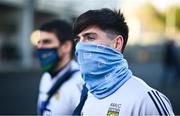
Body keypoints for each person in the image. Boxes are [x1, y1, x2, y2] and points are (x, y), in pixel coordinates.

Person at [73, 8, 175, 115]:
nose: (80, 46)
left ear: (117, 44)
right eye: (77, 40)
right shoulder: (85, 93)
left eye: (90, 37)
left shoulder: (145, 101)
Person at [31, 19, 83, 115]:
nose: (40, 47)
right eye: (39, 42)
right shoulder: (46, 77)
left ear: (66, 46)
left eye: (47, 42)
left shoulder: (80, 83)